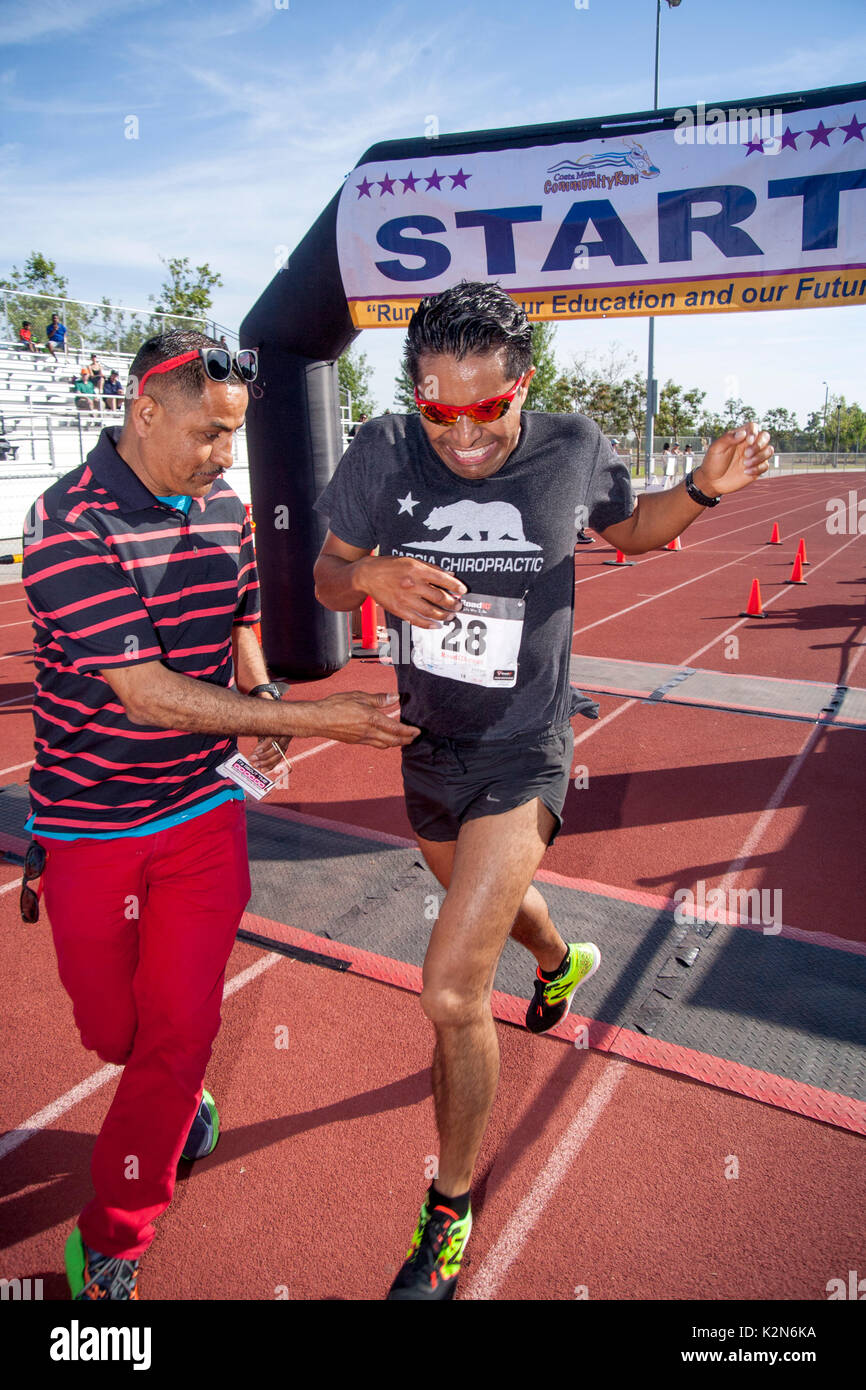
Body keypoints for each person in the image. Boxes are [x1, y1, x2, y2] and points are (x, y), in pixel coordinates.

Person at [313, 280, 773, 1300]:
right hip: (426, 746)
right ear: (415, 394)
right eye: (442, 409)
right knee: (497, 909)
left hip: (525, 749)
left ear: (525, 383)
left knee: (446, 986)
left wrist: (699, 490)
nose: (465, 435)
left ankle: (448, 1208)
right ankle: (560, 965)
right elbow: (325, 575)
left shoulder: (568, 445)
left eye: (488, 408)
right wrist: (373, 576)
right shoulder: (382, 454)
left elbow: (632, 531)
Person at [21, 328, 418, 1301]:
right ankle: (171, 1088)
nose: (223, 458)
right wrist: (318, 715)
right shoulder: (63, 521)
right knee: (112, 1028)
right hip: (87, 822)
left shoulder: (226, 505)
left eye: (234, 436)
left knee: (178, 1025)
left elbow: (239, 621)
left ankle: (111, 1239)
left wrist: (265, 705)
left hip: (202, 811)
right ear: (143, 411)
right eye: (206, 434)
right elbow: (146, 692)